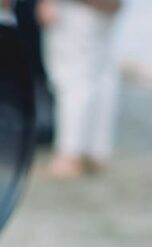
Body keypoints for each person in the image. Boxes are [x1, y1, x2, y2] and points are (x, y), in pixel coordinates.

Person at [38, 0, 124, 177]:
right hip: (108, 6)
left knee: (72, 77)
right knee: (102, 74)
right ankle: (96, 152)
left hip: (76, 8)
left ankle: (69, 157)